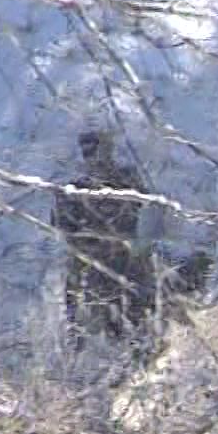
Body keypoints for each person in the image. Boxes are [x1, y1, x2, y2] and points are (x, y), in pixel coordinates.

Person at [56, 129, 148, 346]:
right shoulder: (74, 190)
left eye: (96, 150)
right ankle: (77, 338)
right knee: (78, 290)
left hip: (125, 256)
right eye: (88, 152)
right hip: (93, 259)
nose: (93, 157)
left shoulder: (127, 179)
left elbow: (146, 209)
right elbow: (64, 229)